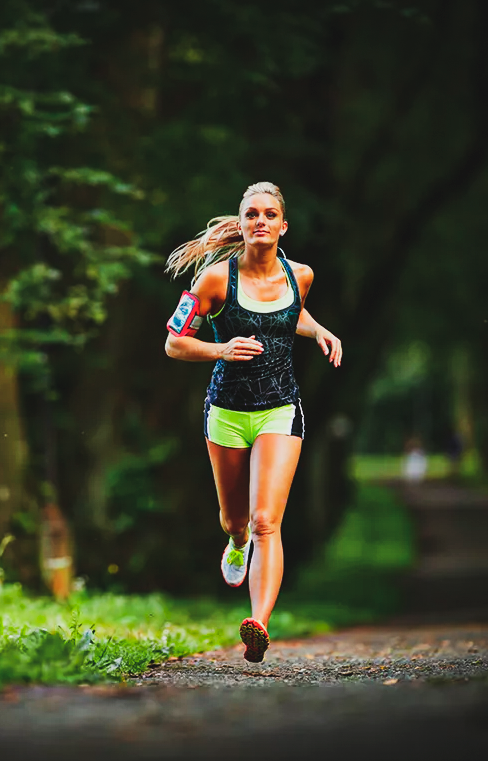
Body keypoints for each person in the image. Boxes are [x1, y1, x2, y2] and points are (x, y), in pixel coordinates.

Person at [163, 181, 342, 663]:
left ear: (283, 226)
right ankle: (235, 541)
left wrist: (319, 329)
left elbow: (291, 314)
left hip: (281, 408)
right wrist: (221, 348)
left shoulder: (299, 275)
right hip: (225, 410)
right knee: (236, 519)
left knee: (268, 521)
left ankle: (257, 623)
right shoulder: (215, 281)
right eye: (251, 215)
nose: (260, 221)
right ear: (241, 225)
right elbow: (174, 343)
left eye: (269, 215)